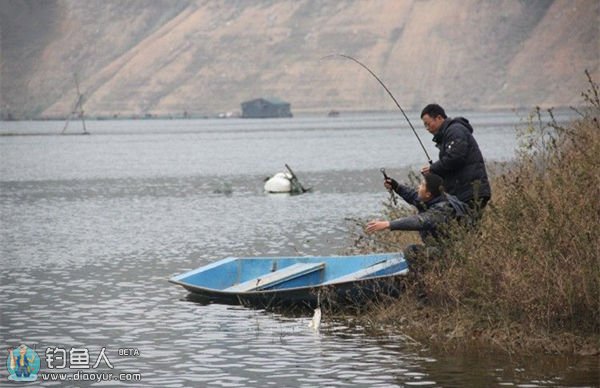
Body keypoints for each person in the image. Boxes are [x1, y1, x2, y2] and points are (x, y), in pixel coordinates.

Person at [366, 173, 467, 261]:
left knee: (412, 251)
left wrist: (388, 224)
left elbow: (420, 221)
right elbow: (413, 195)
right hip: (442, 248)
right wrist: (396, 186)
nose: (418, 187)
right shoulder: (434, 197)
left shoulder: (443, 209)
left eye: (422, 185)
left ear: (428, 194)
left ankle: (420, 279)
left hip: (451, 253)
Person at [420, 104, 491, 215]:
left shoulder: (455, 130)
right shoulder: (449, 134)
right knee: (468, 228)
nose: (427, 129)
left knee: (468, 227)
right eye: (425, 126)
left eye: (428, 124)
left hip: (471, 191)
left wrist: (433, 168)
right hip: (466, 191)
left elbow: (455, 158)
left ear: (439, 118)